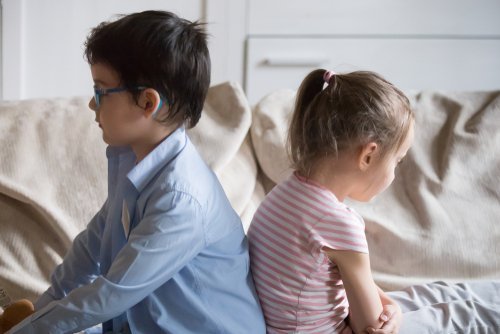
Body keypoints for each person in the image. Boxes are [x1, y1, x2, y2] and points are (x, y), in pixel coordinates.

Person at [7, 10, 265, 334]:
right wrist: (42, 307)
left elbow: (111, 294)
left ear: (147, 103)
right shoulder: (132, 160)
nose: (91, 104)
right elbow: (93, 243)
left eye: (100, 91)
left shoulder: (180, 199)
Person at [247, 69, 500, 333]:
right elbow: (369, 327)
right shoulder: (339, 224)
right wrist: (395, 313)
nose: (394, 173)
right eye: (397, 161)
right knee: (464, 316)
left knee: (436, 293)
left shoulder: (281, 195)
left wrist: (391, 303)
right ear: (368, 155)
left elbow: (328, 282)